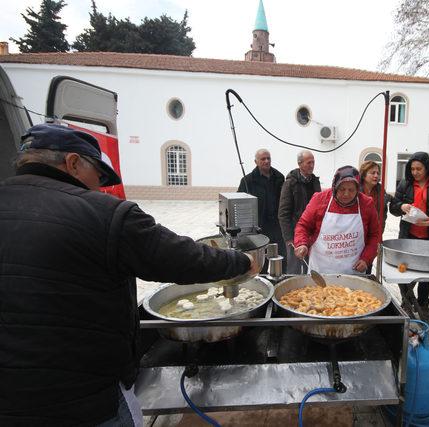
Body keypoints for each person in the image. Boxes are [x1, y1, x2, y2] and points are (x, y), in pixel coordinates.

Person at [0, 124, 256, 426]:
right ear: (72, 163)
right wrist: (241, 263)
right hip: (85, 399)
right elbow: (180, 258)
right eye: (98, 175)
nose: (100, 187)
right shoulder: (103, 213)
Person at [389, 152, 429, 310]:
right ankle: (407, 300)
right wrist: (401, 206)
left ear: (427, 168)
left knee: (425, 273)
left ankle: (423, 303)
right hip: (408, 236)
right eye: (412, 169)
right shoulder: (405, 184)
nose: (415, 172)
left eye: (419, 169)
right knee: (403, 270)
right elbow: (393, 207)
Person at [293, 166, 380, 274]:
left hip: (353, 272)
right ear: (335, 187)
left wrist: (366, 259)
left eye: (351, 190)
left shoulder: (366, 204)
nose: (346, 194)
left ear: (358, 189)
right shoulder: (320, 199)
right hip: (321, 271)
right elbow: (303, 226)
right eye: (342, 189)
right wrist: (302, 243)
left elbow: (375, 235)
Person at [238, 148, 286, 272]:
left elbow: (285, 201)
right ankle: (263, 280)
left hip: (277, 226)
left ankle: (280, 280)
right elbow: (241, 205)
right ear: (256, 162)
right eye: (263, 159)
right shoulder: (247, 181)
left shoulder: (279, 177)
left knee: (281, 256)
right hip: (259, 227)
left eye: (268, 158)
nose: (266, 161)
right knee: (261, 259)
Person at [278, 150, 321, 274]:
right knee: (294, 267)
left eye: (313, 162)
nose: (312, 165)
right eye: (309, 163)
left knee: (311, 265)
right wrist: (288, 238)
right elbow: (283, 213)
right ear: (300, 163)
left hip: (311, 232)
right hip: (294, 233)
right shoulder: (290, 183)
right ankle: (292, 289)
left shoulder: (315, 181)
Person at [359, 161, 391, 273]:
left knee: (368, 265)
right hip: (357, 235)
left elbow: (382, 217)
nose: (376, 176)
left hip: (373, 235)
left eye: (378, 173)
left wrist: (378, 236)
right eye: (372, 173)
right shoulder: (356, 189)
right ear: (364, 174)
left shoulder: (380, 191)